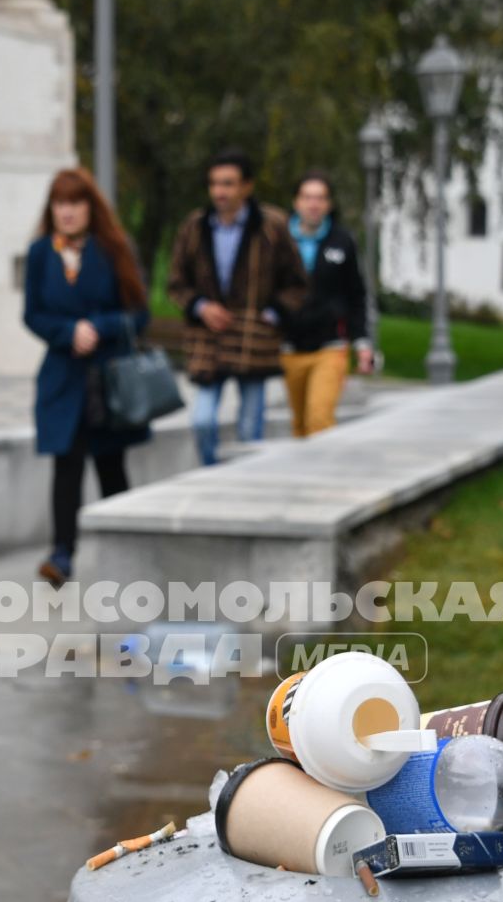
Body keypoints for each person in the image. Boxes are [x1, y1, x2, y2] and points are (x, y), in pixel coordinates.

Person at [21, 168, 153, 587]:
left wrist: (99, 327)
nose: (68, 211)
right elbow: (33, 314)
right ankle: (62, 554)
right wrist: (66, 333)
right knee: (66, 465)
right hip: (63, 377)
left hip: (107, 377)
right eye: (60, 203)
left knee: (111, 464)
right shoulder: (41, 253)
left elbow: (140, 313)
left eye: (76, 203)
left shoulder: (114, 248)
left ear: (90, 207)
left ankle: (125, 549)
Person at [166, 150, 308, 465]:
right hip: (209, 339)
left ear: (246, 186)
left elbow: (297, 282)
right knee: (202, 420)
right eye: (215, 184)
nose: (220, 192)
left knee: (250, 429)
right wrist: (200, 307)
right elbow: (176, 282)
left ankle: (246, 486)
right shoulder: (195, 227)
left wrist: (271, 315)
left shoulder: (272, 226)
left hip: (253, 341)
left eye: (228, 184)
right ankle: (211, 475)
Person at [279, 172, 372, 440]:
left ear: (329, 204)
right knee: (300, 425)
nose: (313, 204)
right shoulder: (280, 238)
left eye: (320, 198)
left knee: (319, 419)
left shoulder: (342, 241)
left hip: (330, 344)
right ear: (297, 202)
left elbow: (356, 294)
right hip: (290, 346)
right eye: (307, 197)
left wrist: (362, 342)